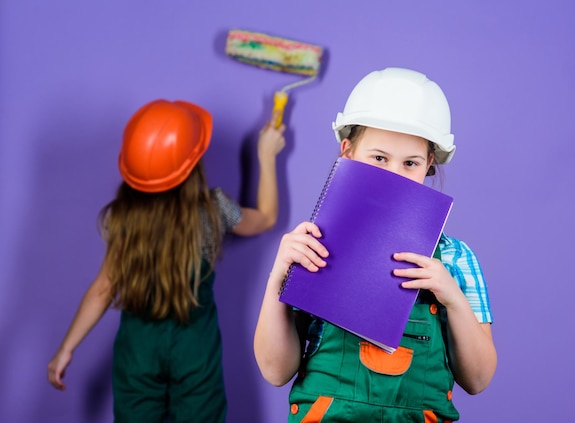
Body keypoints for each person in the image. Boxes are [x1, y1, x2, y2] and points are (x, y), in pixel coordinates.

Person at [254, 67, 497, 422]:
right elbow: (275, 371)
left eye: (410, 163)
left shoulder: (457, 260)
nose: (394, 175)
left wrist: (452, 297)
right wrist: (278, 279)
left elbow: (477, 379)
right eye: (379, 158)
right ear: (348, 152)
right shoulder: (313, 248)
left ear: (428, 165)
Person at [47, 99, 286, 422]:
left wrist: (66, 349)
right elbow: (267, 218)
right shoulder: (212, 209)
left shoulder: (125, 218)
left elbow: (103, 288)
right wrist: (266, 154)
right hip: (195, 351)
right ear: (192, 166)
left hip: (138, 354)